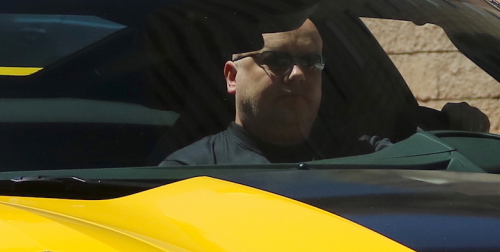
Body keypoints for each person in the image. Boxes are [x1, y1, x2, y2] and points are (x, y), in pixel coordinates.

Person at [163, 18, 385, 165]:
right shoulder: (190, 171)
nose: (298, 74)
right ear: (232, 77)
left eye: (310, 61)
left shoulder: (368, 156)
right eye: (276, 60)